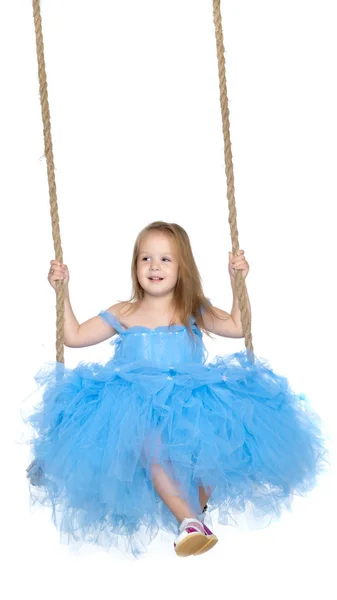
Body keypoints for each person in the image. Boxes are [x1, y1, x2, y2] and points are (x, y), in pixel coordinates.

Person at [26, 221, 327, 558]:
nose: (154, 266)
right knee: (152, 447)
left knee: (216, 449)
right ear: (135, 265)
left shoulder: (191, 309)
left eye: (166, 259)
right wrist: (62, 291)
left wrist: (236, 281)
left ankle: (194, 516)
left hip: (192, 401)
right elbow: (74, 336)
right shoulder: (123, 312)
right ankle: (189, 521)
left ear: (183, 268)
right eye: (146, 258)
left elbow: (237, 326)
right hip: (136, 406)